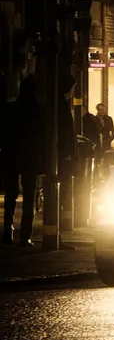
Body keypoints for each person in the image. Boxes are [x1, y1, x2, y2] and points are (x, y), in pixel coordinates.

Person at [3, 76, 47, 247]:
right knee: (29, 197)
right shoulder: (37, 111)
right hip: (30, 157)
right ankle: (25, 235)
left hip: (11, 156)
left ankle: (7, 232)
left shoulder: (10, 109)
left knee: (10, 195)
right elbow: (42, 137)